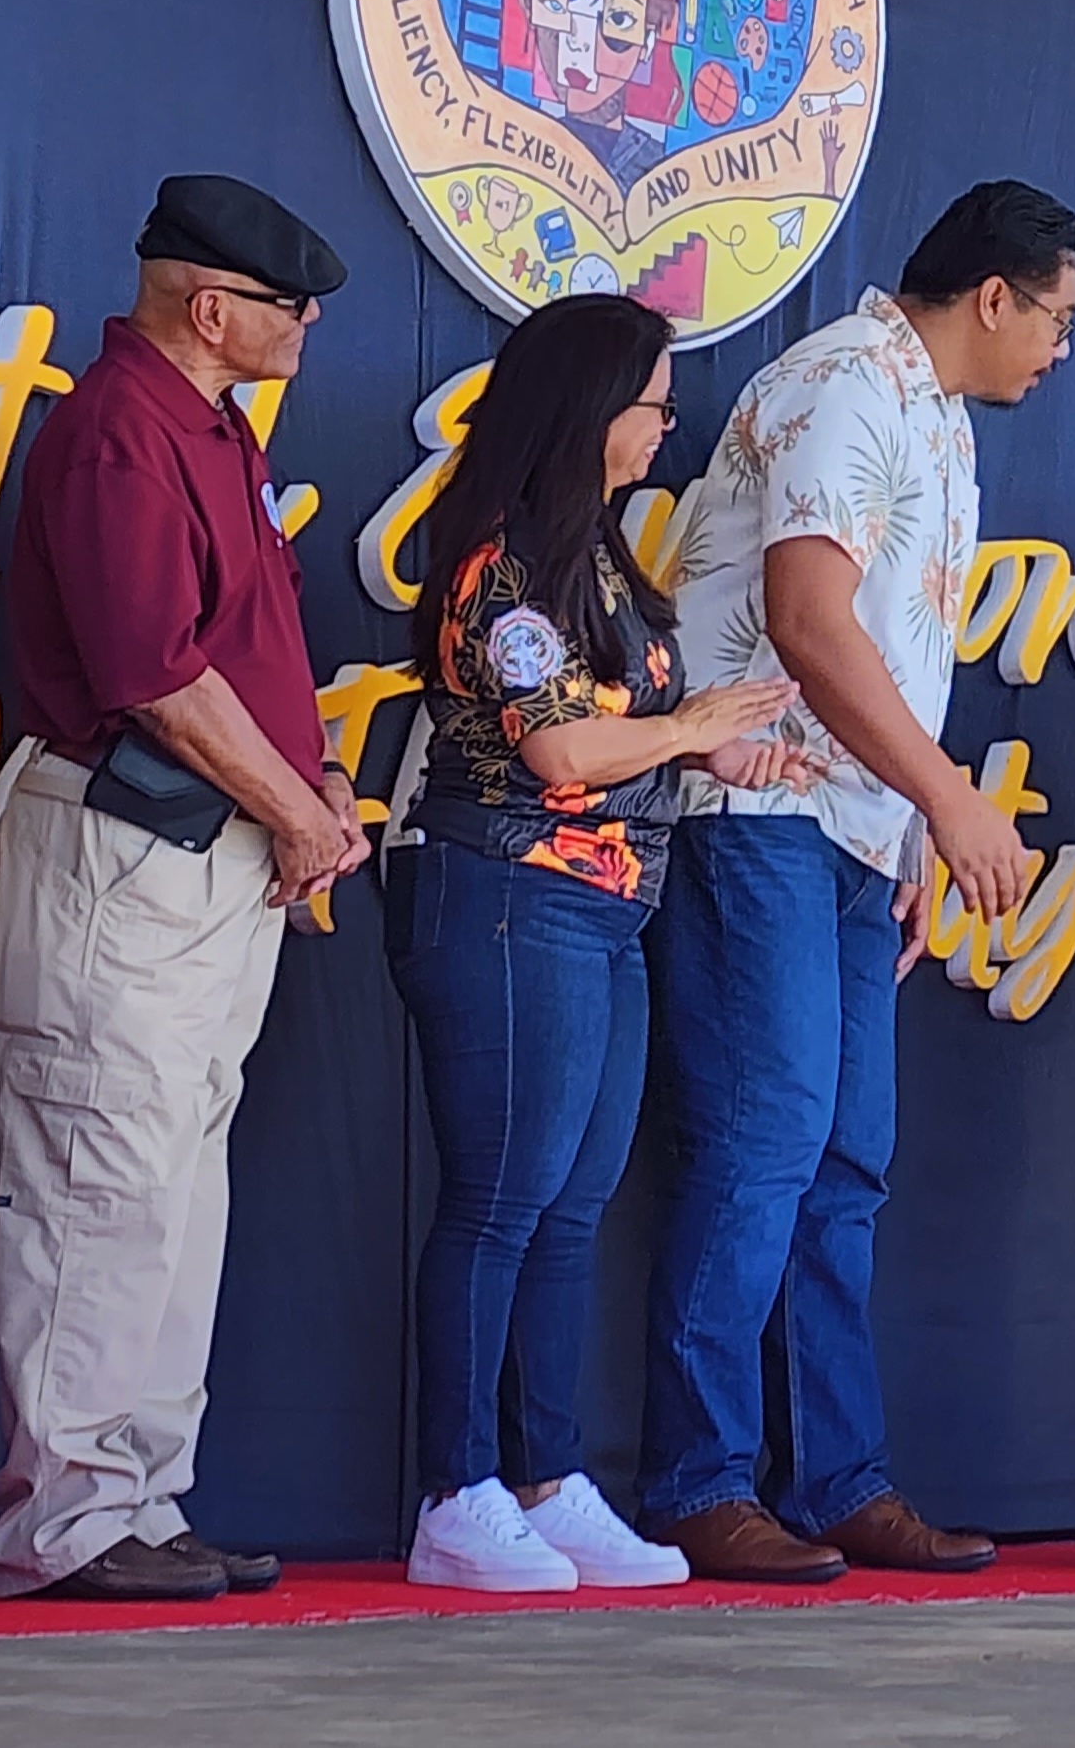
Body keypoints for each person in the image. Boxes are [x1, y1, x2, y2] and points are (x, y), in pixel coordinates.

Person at [638, 180, 1075, 1582]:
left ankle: (837, 1474)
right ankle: (699, 1478)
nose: (1062, 349)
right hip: (756, 804)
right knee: (766, 1139)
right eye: (1057, 318)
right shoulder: (845, 380)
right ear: (994, 294)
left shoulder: (941, 420)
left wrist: (900, 832)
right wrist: (945, 795)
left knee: (846, 1158)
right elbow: (807, 616)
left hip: (843, 829)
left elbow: (890, 645)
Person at [0, 175, 370, 1603]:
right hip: (127, 845)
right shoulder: (120, 427)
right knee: (95, 1167)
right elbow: (152, 671)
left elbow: (245, 653)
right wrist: (296, 810)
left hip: (215, 858)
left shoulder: (212, 430)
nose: (308, 324)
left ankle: (139, 1492)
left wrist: (313, 790)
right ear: (211, 307)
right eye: (286, 304)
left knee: (170, 1184)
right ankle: (70, 1514)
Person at [391, 296, 798, 1592]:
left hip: (611, 907)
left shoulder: (604, 556)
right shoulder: (497, 557)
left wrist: (728, 741)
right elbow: (560, 747)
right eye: (652, 405)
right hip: (509, 894)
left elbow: (622, 723)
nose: (664, 429)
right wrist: (691, 730)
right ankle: (455, 1491)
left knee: (569, 1211)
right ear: (587, 408)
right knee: (502, 1201)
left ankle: (546, 1477)